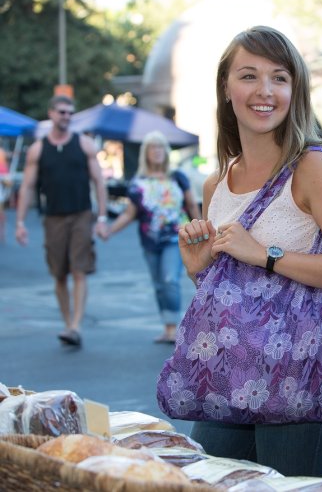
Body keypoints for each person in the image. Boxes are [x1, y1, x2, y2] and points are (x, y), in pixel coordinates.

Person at [175, 26, 322, 478]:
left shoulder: (313, 166)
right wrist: (199, 269)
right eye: (248, 76)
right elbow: (238, 299)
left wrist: (263, 253)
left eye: (279, 77)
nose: (264, 91)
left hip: (302, 378)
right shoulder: (216, 184)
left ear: (295, 89)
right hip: (233, 376)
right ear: (226, 89)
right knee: (206, 480)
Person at [15, 95, 108, 347]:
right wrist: (20, 222)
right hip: (53, 217)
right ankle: (67, 322)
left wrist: (101, 217)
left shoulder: (84, 144)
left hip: (80, 215)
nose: (65, 116)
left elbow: (99, 182)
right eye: (61, 112)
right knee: (59, 274)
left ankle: (76, 325)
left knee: (79, 270)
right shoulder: (38, 149)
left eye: (69, 113)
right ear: (51, 114)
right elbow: (26, 187)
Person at [103, 131, 201, 344]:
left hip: (176, 238)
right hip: (150, 240)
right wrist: (110, 230)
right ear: (145, 153)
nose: (157, 152)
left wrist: (203, 230)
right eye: (152, 148)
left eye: (160, 147)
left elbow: (192, 205)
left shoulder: (177, 177)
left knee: (169, 280)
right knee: (158, 284)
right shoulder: (138, 183)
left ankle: (175, 328)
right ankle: (167, 327)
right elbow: (130, 213)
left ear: (165, 152)